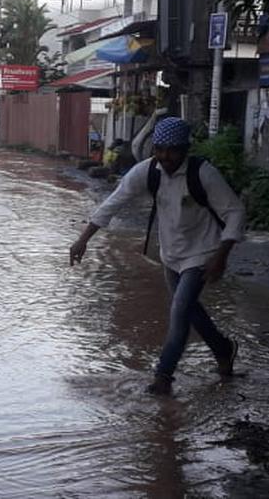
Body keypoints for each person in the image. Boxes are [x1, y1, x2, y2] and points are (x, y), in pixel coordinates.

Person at [68, 117, 246, 396]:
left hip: (202, 253)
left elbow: (234, 212)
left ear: (185, 149)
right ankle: (224, 349)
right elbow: (113, 203)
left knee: (178, 312)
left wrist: (221, 256)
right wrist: (82, 239)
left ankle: (163, 376)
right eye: (159, 149)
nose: (164, 156)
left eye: (172, 150)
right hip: (170, 253)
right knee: (190, 310)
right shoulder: (147, 171)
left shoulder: (203, 174)